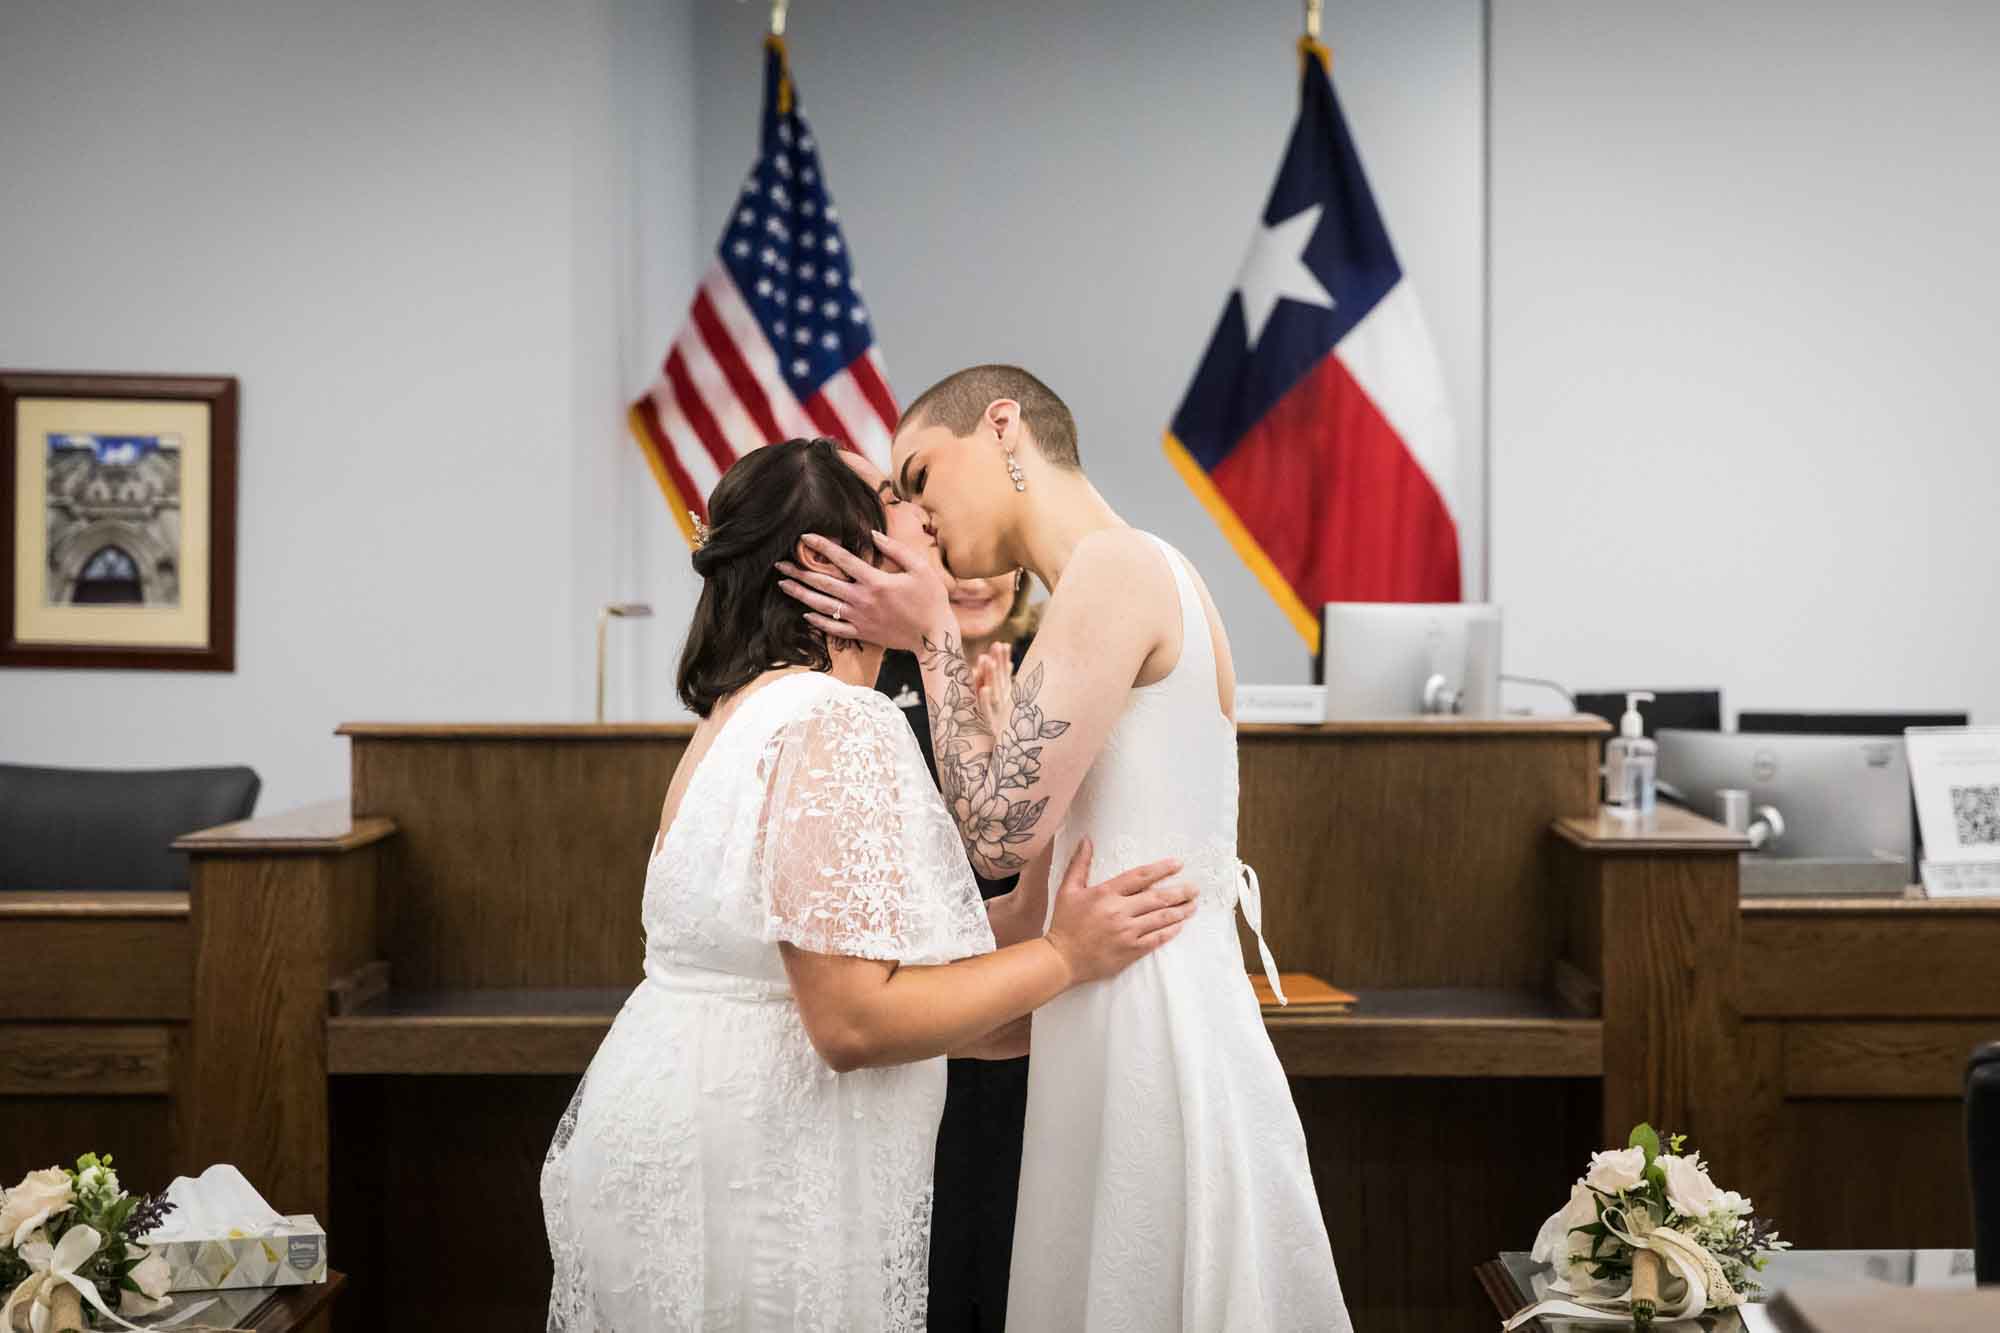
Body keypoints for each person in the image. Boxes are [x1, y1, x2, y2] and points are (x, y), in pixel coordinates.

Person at [539, 436, 1198, 1332]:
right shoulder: (832, 723)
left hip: (682, 1130)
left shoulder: (739, 714)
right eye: (894, 499)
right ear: (828, 557)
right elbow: (853, 1020)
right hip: (752, 1173)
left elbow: (907, 981)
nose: (923, 514)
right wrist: (1065, 955)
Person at [776, 369, 1352, 1331]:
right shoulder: (1117, 580)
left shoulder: (1115, 569)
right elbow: (1022, 905)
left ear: (1003, 427)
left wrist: (930, 639)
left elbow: (998, 828)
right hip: (1103, 1010)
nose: (915, 516)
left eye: (921, 475)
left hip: (1147, 1027)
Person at [875, 563, 1038, 1333]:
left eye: (992, 565)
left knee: (1015, 1246)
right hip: (917, 1003)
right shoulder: (883, 670)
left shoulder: (1054, 661)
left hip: (1028, 1002)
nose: (974, 579)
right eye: (954, 565)